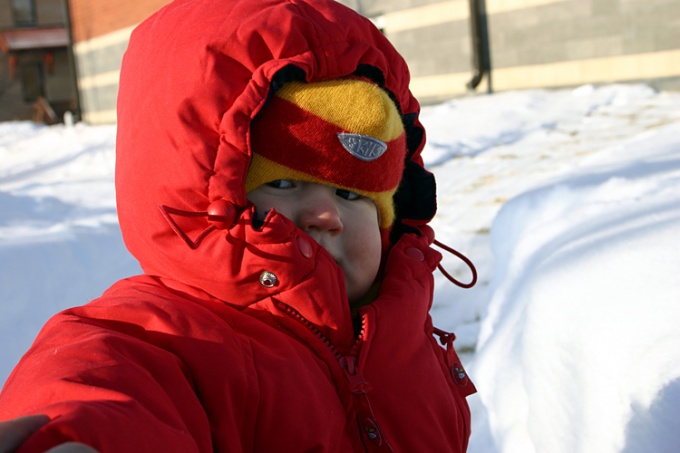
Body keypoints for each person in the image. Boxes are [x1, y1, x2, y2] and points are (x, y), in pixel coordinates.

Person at [0, 0, 476, 451]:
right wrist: (67, 436)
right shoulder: (173, 341)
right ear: (209, 192)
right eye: (285, 184)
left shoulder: (401, 334)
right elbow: (95, 387)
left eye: (351, 195)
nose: (325, 215)